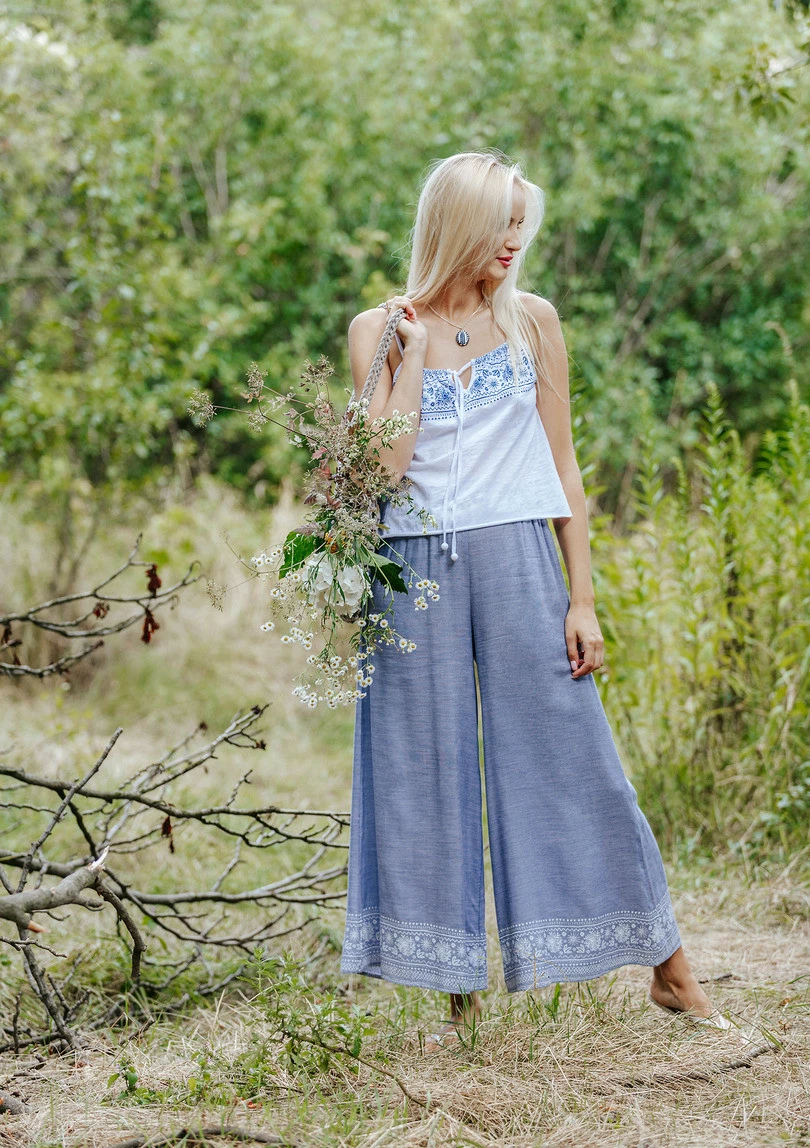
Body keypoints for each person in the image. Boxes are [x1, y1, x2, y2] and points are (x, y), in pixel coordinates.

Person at [340, 150, 727, 1050]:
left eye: (522, 224)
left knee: (574, 751)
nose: (515, 242)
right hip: (410, 569)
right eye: (499, 225)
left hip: (519, 553)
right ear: (456, 225)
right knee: (420, 768)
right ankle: (456, 995)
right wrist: (412, 357)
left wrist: (581, 599)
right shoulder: (378, 329)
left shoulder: (534, 322)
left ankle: (670, 970)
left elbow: (562, 464)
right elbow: (381, 472)